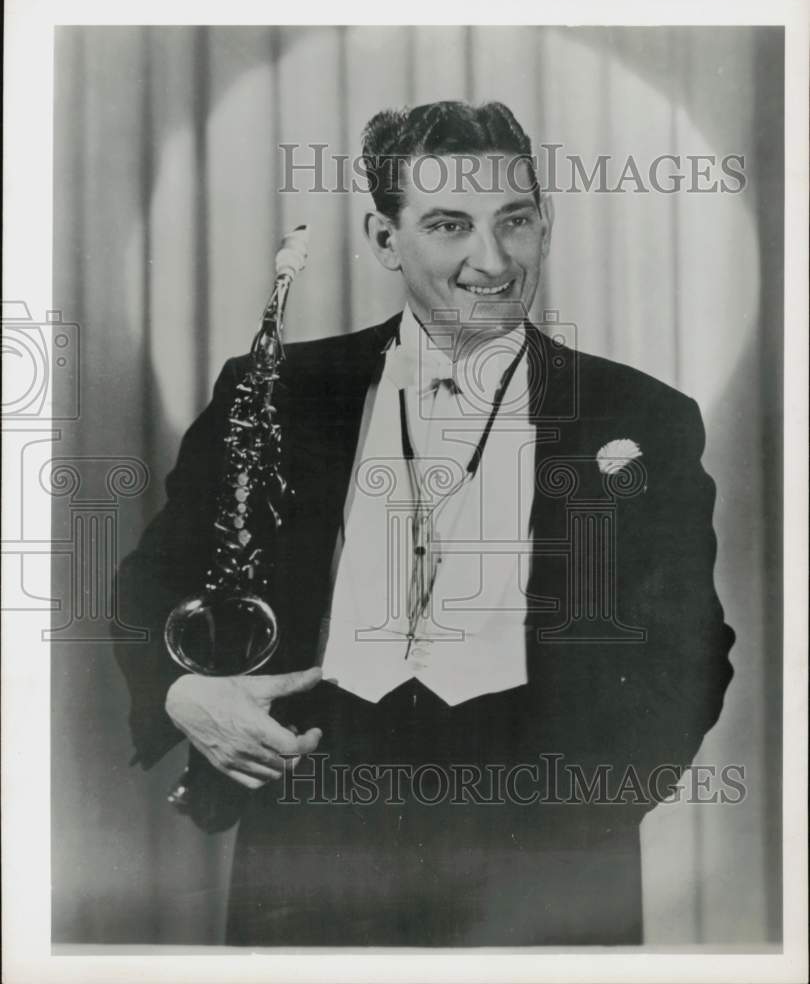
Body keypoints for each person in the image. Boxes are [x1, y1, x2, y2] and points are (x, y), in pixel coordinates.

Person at [115, 100, 735, 946]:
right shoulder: (279, 391)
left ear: (543, 227)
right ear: (383, 238)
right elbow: (153, 584)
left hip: (542, 861)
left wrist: (582, 819)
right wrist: (183, 693)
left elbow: (691, 649)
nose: (493, 259)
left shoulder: (644, 415)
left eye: (515, 221)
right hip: (316, 838)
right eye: (449, 225)